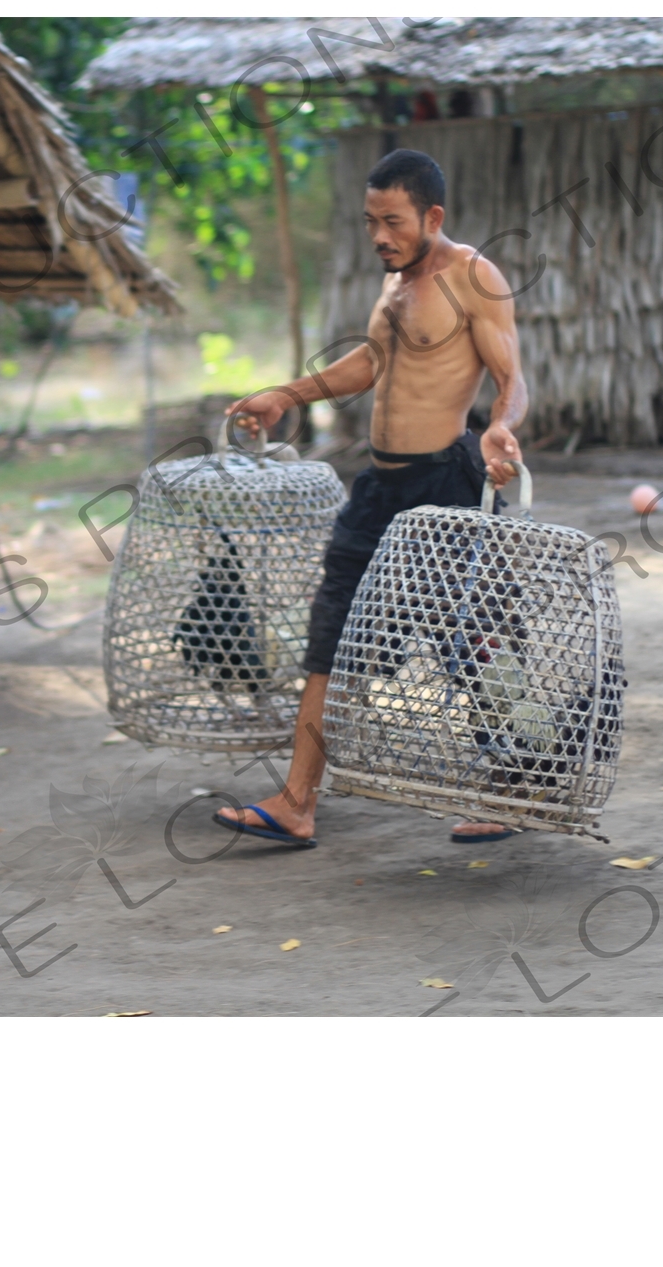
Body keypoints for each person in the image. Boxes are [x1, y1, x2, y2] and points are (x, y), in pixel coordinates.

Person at [214, 148, 527, 848]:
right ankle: (297, 804)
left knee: (477, 636)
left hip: (445, 483)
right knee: (332, 634)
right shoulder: (395, 284)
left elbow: (512, 374)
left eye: (393, 221)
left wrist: (500, 427)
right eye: (369, 222)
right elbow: (373, 363)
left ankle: (516, 783)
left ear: (432, 216)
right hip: (379, 488)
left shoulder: (472, 276)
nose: (379, 236)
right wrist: (286, 394)